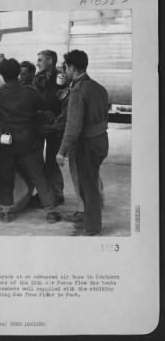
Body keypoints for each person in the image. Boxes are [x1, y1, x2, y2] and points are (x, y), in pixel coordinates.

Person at [0, 58, 56, 223]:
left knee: (6, 174)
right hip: (29, 140)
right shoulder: (30, 92)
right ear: (18, 73)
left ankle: (6, 211)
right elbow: (45, 106)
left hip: (7, 141)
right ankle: (50, 210)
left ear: (2, 75)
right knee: (38, 174)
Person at [59, 50, 109, 235]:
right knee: (92, 180)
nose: (64, 70)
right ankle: (91, 217)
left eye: (65, 66)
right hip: (102, 140)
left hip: (86, 143)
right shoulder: (98, 87)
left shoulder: (78, 90)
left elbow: (73, 126)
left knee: (87, 185)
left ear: (72, 67)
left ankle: (93, 226)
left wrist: (62, 151)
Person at [32, 50, 65, 207]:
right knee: (39, 161)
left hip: (55, 125)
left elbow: (62, 99)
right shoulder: (38, 77)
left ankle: (57, 194)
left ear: (50, 61)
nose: (37, 63)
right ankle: (44, 193)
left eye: (40, 60)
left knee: (52, 161)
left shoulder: (61, 77)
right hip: (41, 124)